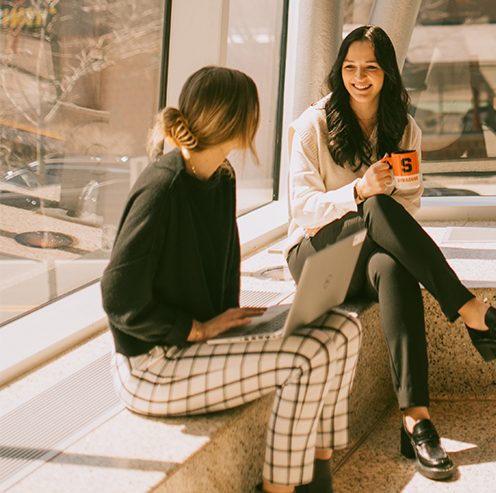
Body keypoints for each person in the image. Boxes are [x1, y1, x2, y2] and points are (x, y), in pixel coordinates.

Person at [285, 26, 496, 481]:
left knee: (394, 266)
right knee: (375, 205)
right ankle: (473, 312)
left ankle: (416, 421)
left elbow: (407, 206)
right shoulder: (315, 124)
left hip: (366, 252)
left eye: (370, 67)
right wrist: (359, 191)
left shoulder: (403, 128)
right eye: (349, 67)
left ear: (387, 72)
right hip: (314, 256)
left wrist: (384, 194)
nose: (359, 77)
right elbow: (302, 211)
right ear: (338, 71)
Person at [102, 66, 360, 493]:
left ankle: (318, 472)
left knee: (345, 328)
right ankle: (281, 490)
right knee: (307, 356)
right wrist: (195, 328)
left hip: (197, 347)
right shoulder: (160, 190)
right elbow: (118, 296)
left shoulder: (221, 178)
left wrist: (232, 324)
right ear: (238, 123)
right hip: (152, 367)